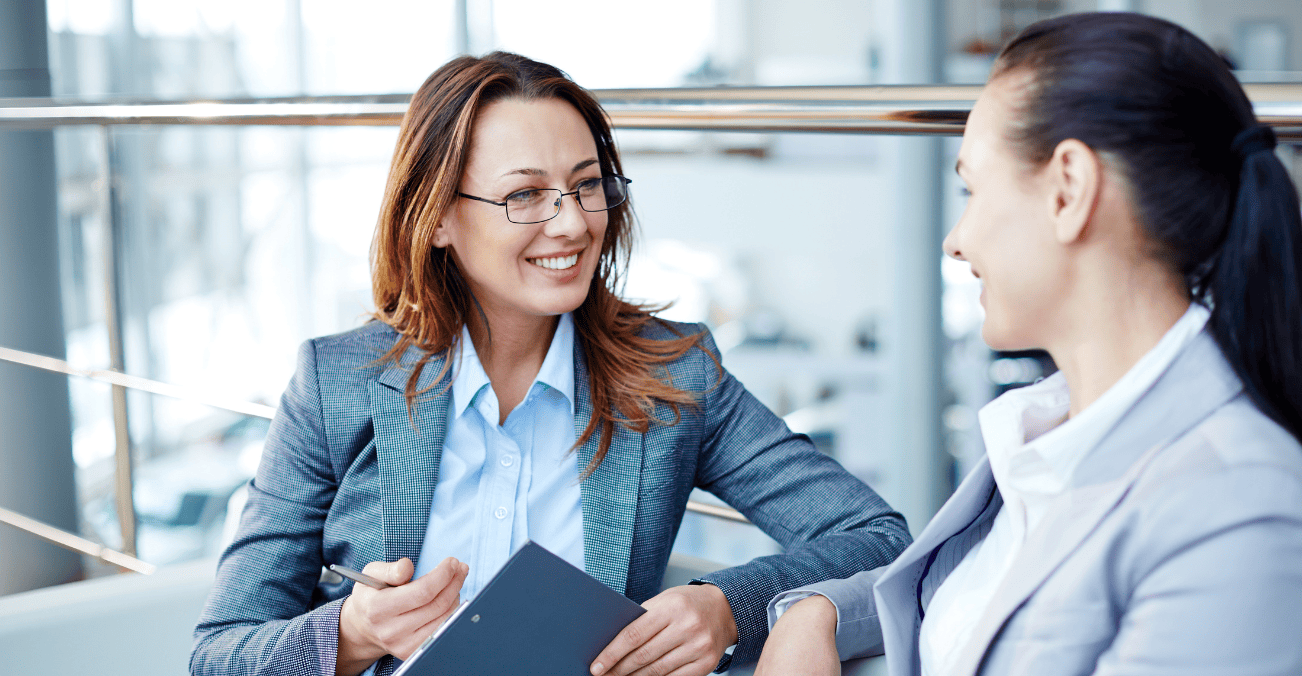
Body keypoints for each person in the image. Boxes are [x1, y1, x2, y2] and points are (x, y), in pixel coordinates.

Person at [190, 52, 910, 676]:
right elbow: (219, 655)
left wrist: (730, 606)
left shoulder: (676, 376)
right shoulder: (335, 384)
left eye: (587, 184)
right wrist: (352, 634)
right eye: (525, 194)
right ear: (436, 217)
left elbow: (878, 539)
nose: (571, 222)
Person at [756, 12, 1302, 676]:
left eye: (970, 190)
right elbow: (979, 601)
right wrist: (818, 612)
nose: (955, 239)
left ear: (1068, 190)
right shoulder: (1053, 434)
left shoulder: (1238, 511)